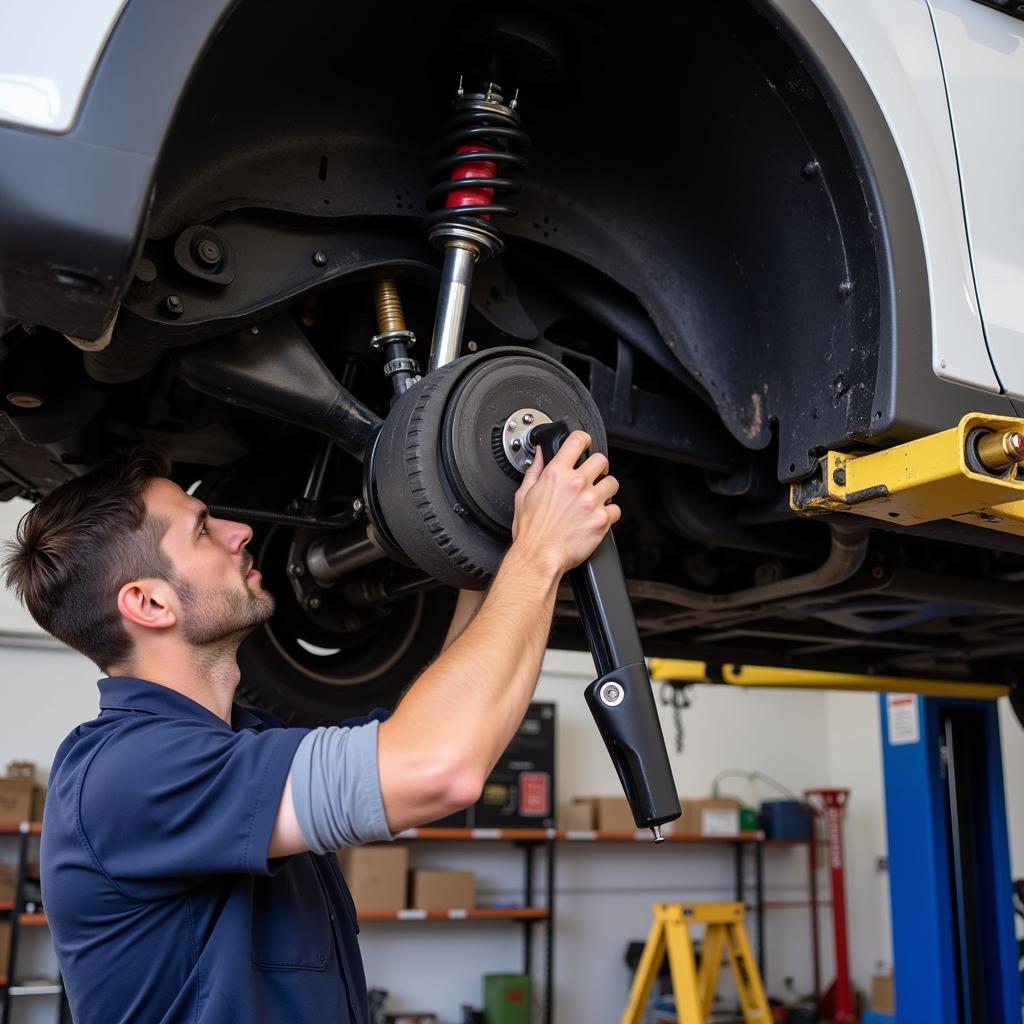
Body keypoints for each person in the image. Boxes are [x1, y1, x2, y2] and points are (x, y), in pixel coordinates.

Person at [1, 431, 619, 1024]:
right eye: (204, 530)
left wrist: (498, 551)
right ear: (150, 604)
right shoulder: (128, 773)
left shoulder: (239, 746)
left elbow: (439, 733)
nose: (242, 532)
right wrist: (539, 556)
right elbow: (439, 768)